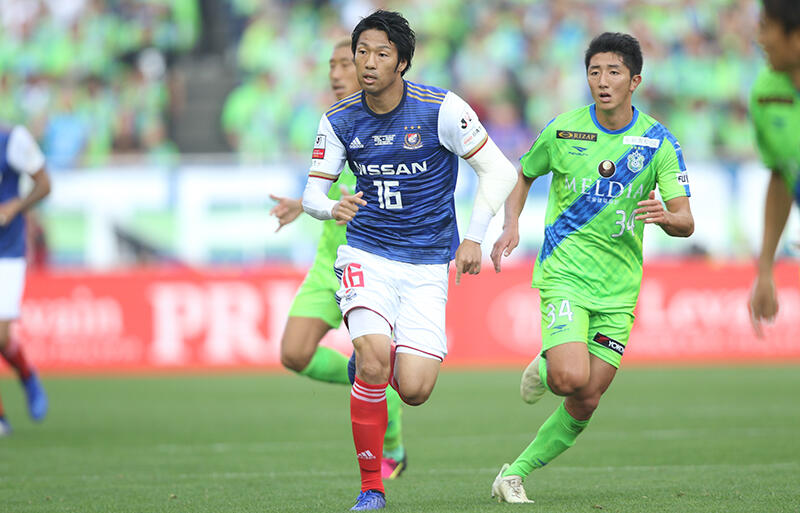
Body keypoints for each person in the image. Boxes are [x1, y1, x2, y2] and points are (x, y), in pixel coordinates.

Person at [301, 10, 517, 510]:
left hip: (426, 265)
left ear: (402, 62)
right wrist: (331, 207)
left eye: (381, 54)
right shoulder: (338, 119)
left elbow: (499, 171)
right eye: (361, 52)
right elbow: (312, 194)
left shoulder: (441, 109)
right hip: (367, 252)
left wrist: (474, 237)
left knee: (416, 389)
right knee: (375, 362)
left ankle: (368, 364)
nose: (368, 62)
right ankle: (371, 488)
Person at [489, 32, 694, 503]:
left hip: (619, 288)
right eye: (595, 71)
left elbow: (686, 220)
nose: (602, 81)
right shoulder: (564, 130)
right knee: (568, 378)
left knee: (587, 397)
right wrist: (511, 224)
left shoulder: (658, 142)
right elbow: (523, 174)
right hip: (565, 273)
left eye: (613, 72)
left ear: (634, 81)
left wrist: (667, 218)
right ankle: (550, 365)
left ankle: (513, 474)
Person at [269, 39, 408, 480]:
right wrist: (301, 203)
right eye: (331, 64)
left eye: (344, 63)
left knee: (376, 361)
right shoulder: (333, 123)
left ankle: (392, 442)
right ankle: (370, 380)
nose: (335, 72)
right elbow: (327, 184)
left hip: (372, 264)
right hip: (328, 262)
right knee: (294, 353)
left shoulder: (391, 123)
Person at [748, 0, 800, 337]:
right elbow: (782, 176)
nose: (760, 38)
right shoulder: (765, 93)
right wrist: (765, 269)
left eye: (768, 27)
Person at [0, 123, 51, 435]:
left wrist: (15, 206)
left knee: (1, 336)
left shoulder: (12, 139)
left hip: (6, 250)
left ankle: (27, 375)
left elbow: (45, 184)